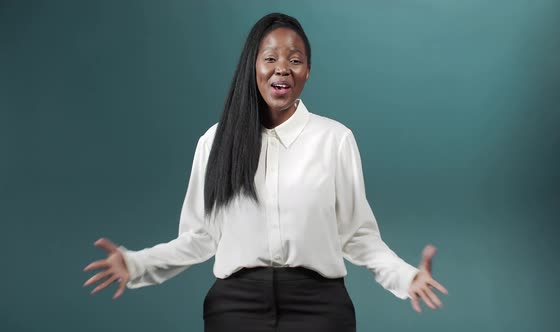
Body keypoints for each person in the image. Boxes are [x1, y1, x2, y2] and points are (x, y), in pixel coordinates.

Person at [83, 12, 448, 332]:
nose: (282, 69)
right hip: (235, 308)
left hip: (319, 308)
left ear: (308, 70)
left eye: (295, 60)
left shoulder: (335, 140)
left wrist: (406, 277)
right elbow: (199, 238)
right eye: (270, 58)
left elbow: (357, 236)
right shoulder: (215, 142)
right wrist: (135, 264)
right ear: (252, 67)